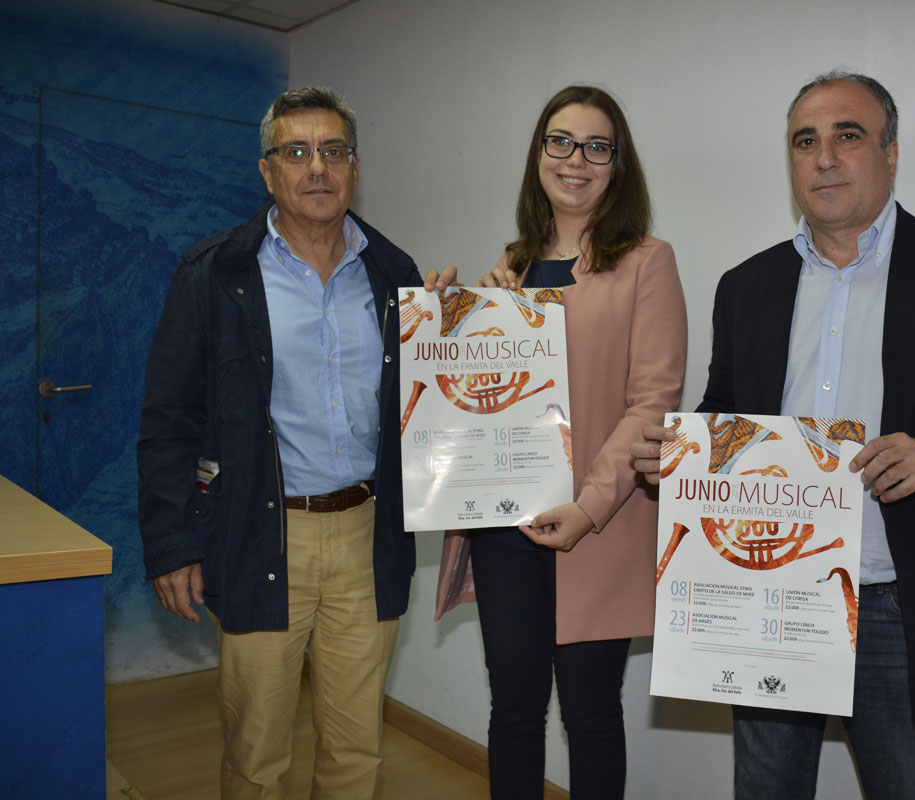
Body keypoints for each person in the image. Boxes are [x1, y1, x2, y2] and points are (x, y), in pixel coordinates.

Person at [631, 71, 915, 799]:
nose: (824, 157)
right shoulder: (748, 286)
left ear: (891, 155)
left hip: (900, 601)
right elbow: (728, 409)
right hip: (767, 593)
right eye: (806, 141)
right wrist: (680, 451)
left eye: (847, 135)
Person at [137, 86, 456, 799]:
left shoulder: (394, 275)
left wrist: (455, 334)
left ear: (355, 166)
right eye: (298, 151)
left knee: (356, 751)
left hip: (367, 537)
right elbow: (168, 419)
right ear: (268, 170)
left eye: (333, 151)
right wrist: (172, 543)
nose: (318, 167)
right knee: (257, 755)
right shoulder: (214, 273)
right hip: (258, 533)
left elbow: (425, 407)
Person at [431, 85, 687, 799]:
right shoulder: (508, 266)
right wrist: (447, 323)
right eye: (560, 142)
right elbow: (478, 398)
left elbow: (651, 403)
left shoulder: (647, 262)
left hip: (596, 526)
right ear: (539, 154)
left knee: (591, 715)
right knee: (513, 710)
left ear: (617, 163)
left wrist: (590, 506)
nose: (576, 159)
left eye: (596, 146)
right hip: (505, 526)